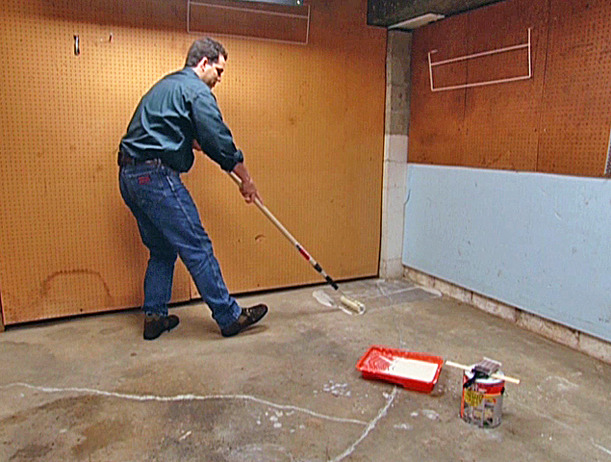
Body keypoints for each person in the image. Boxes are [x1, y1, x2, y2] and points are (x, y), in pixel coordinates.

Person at [118, 37, 268, 340]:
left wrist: (188, 142)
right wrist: (246, 179)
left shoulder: (168, 86)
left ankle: (155, 316)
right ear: (203, 64)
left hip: (130, 177)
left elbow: (161, 129)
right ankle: (229, 317)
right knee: (197, 246)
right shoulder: (196, 90)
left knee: (161, 249)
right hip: (155, 176)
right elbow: (220, 142)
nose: (219, 79)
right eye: (219, 71)